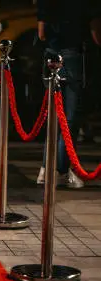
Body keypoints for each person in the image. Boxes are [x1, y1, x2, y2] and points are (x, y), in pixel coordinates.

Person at [35, 0, 101, 188]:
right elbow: (97, 35)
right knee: (69, 118)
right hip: (73, 55)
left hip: (50, 54)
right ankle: (61, 170)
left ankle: (45, 169)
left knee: (54, 117)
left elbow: (41, 34)